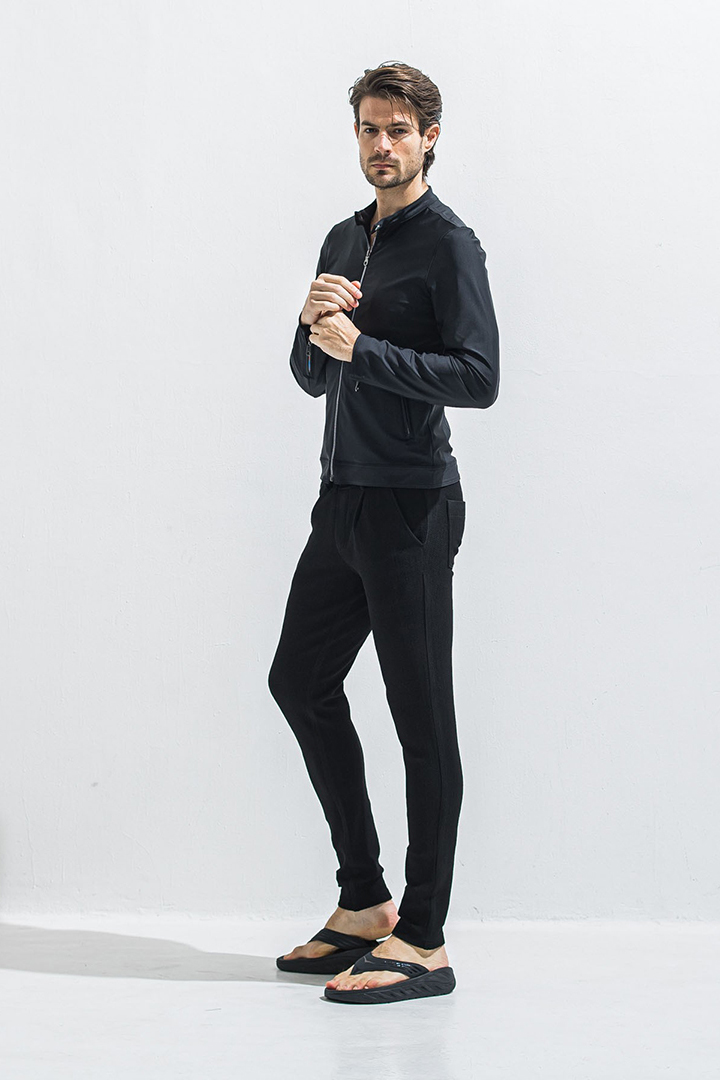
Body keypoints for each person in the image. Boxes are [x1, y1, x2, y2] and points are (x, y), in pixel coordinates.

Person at [268, 61, 500, 1005]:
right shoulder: (343, 237)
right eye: (369, 128)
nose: (382, 145)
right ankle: (365, 902)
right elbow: (311, 376)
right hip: (342, 501)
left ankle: (427, 938)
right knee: (298, 680)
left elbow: (479, 377)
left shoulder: (450, 245)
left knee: (421, 717)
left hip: (412, 508)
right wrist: (311, 325)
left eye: (399, 129)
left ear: (429, 138)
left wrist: (366, 348)